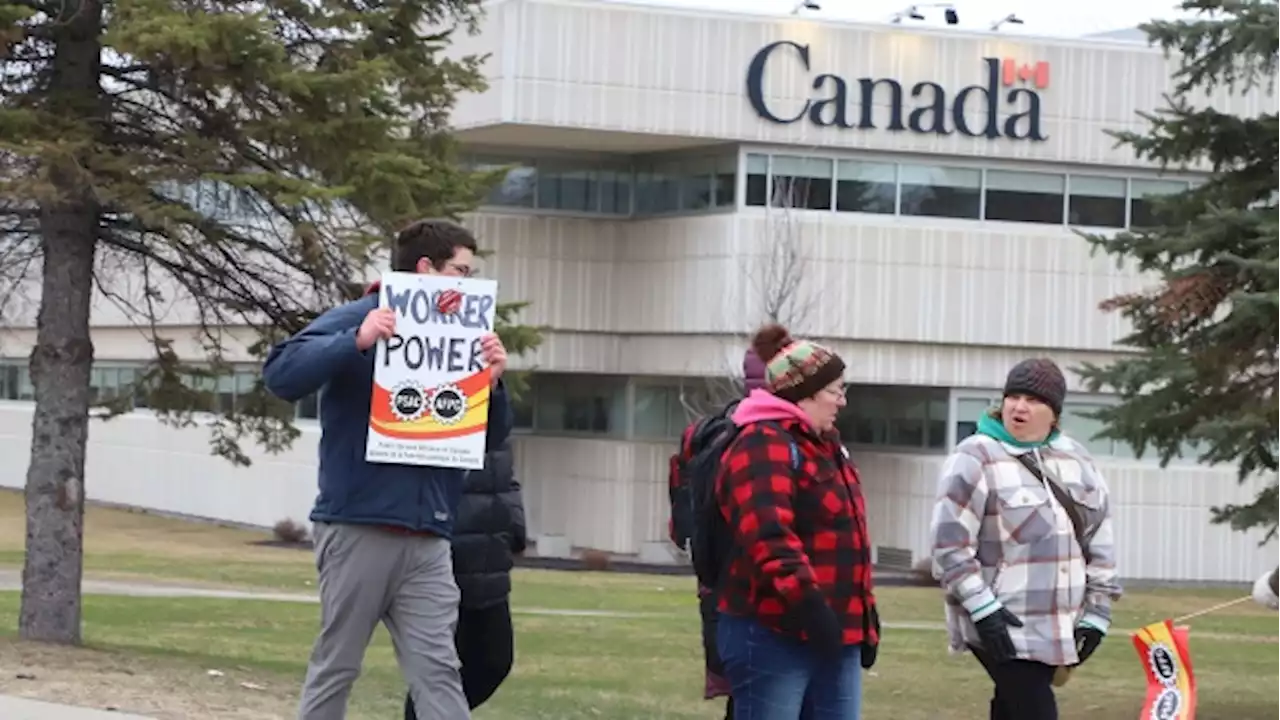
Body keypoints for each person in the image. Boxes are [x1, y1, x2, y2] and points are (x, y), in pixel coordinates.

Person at [262, 219, 514, 720]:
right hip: (358, 525)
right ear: (427, 269)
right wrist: (355, 339)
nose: (468, 283)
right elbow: (281, 375)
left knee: (440, 669)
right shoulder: (358, 316)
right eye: (461, 271)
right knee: (338, 663)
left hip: (429, 534)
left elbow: (490, 437)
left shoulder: (463, 336)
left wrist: (493, 383)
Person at [930, 358, 1122, 720]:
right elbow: (949, 545)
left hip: (1059, 624)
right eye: (1013, 396)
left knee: (1012, 709)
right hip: (1001, 622)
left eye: (1033, 400)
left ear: (1054, 413)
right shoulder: (975, 456)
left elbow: (1100, 538)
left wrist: (1098, 611)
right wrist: (983, 609)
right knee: (1034, 709)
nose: (1019, 407)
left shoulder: (1076, 458)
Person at [714, 323, 878, 720]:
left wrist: (865, 618)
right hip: (774, 631)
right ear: (804, 393)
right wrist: (811, 606)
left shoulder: (827, 444)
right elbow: (767, 536)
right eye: (835, 391)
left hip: (838, 633)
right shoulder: (763, 441)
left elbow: (849, 535)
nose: (841, 402)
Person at [666, 348, 768, 719]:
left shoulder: (707, 433)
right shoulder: (758, 438)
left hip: (716, 583)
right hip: (751, 588)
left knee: (745, 694)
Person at [404, 438, 526, 717]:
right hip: (450, 551)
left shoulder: (494, 406)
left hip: (491, 552)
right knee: (440, 671)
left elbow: (505, 476)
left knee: (494, 661)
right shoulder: (446, 405)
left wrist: (515, 523)